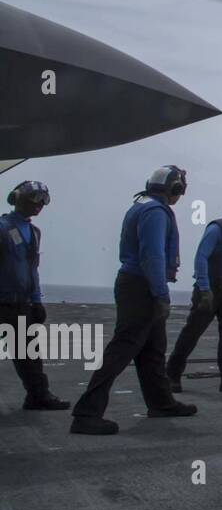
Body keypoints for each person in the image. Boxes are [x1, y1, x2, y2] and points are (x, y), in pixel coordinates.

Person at [70, 166, 198, 435]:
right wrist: (161, 294)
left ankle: (161, 403)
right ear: (174, 188)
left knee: (152, 350)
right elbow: (152, 255)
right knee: (123, 348)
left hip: (137, 284)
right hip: (142, 287)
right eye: (180, 189)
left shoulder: (143, 206)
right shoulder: (155, 212)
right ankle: (86, 413)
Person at [167, 193, 222, 393]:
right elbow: (201, 258)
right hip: (211, 288)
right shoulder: (216, 229)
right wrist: (205, 290)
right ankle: (171, 375)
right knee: (192, 332)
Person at [0, 181, 69, 410]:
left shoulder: (34, 232)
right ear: (17, 198)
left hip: (21, 304)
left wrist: (36, 301)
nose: (40, 204)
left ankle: (38, 395)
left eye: (44, 200)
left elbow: (32, 269)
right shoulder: (2, 228)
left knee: (29, 354)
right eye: (35, 198)